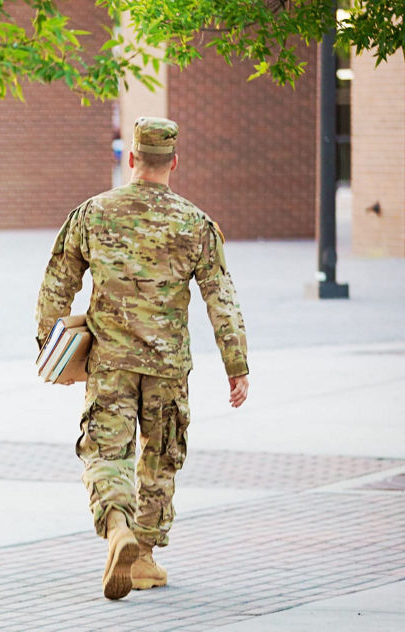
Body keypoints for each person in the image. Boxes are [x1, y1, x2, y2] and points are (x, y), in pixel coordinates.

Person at [35, 116, 250, 600]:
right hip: (168, 367)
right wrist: (236, 366)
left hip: (109, 362)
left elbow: (56, 287)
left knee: (105, 452)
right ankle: (145, 558)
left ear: (131, 159)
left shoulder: (92, 213)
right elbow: (222, 300)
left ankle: (118, 531)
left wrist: (51, 353)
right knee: (159, 458)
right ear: (173, 162)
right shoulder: (195, 223)